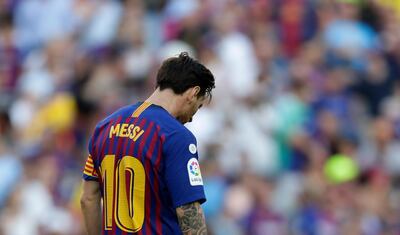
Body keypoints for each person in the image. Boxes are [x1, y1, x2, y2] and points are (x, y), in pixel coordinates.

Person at [80, 52, 215, 235]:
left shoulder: (104, 127)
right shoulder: (176, 136)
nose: (191, 118)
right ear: (193, 93)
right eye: (197, 108)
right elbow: (189, 211)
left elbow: (88, 199)